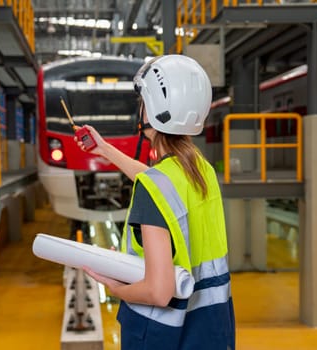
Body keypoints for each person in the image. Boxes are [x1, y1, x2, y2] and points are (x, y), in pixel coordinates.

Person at [75, 55, 235, 349]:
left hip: (164, 335)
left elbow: (159, 292)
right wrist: (104, 148)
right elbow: (157, 179)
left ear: (152, 111)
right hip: (211, 329)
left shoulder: (155, 187)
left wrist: (116, 288)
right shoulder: (202, 170)